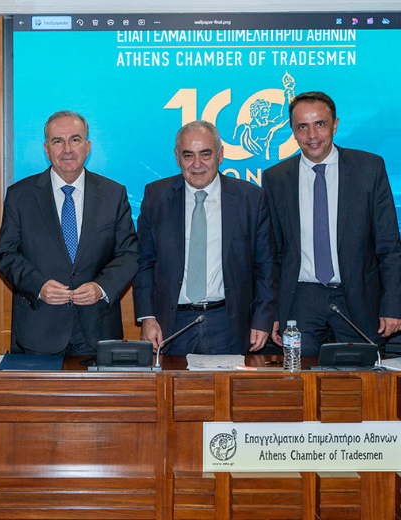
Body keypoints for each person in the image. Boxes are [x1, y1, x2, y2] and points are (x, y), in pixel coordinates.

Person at [263, 91, 401, 354]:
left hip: (358, 298)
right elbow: (273, 254)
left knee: (361, 376)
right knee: (300, 375)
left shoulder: (369, 168)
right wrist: (273, 312)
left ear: (335, 125)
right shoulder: (276, 178)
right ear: (292, 131)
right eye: (302, 127)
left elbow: (389, 246)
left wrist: (393, 305)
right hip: (300, 301)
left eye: (320, 124)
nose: (312, 135)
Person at [0, 111, 138, 355]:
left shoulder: (114, 194)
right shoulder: (20, 195)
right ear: (46, 149)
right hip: (39, 330)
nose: (67, 149)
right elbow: (5, 253)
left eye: (75, 139)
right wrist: (38, 286)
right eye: (58, 141)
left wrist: (101, 287)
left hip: (97, 330)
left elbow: (129, 254)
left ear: (87, 146)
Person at [134, 120, 277, 355]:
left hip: (229, 323)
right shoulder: (156, 197)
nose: (197, 164)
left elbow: (266, 266)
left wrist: (263, 319)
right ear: (177, 157)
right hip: (172, 324)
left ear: (220, 155)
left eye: (206, 154)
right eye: (188, 155)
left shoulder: (250, 198)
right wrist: (147, 317)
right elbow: (144, 263)